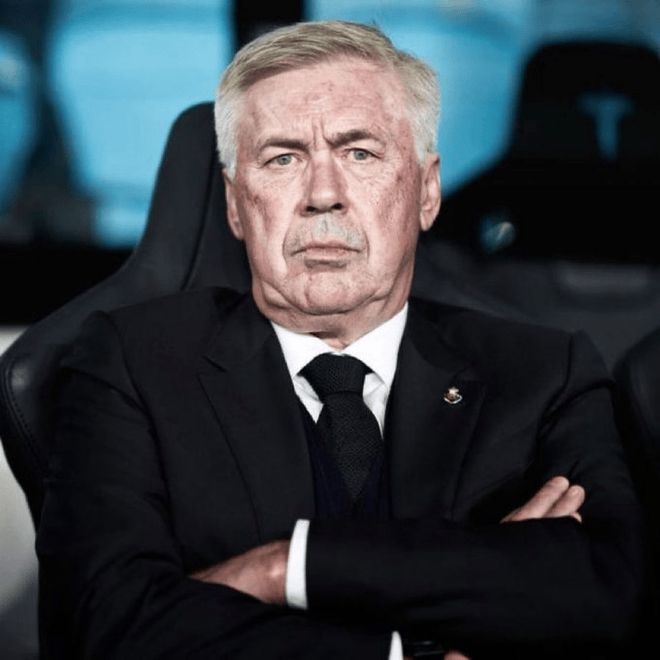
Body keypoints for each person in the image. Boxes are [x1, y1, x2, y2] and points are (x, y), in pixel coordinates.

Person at [36, 20, 646, 659]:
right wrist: (452, 611)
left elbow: (610, 595)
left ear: (427, 191)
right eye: (283, 158)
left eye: (360, 153)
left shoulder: (543, 371)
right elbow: (103, 630)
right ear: (236, 206)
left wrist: (284, 568)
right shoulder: (132, 364)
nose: (322, 196)